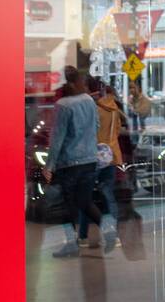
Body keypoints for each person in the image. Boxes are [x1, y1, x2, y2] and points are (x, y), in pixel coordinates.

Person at [45, 67, 114, 258]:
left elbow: (57, 138)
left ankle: (72, 242)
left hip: (69, 162)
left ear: (67, 83)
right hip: (90, 160)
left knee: (68, 205)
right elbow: (97, 127)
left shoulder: (63, 105)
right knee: (85, 201)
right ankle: (108, 229)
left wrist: (49, 165)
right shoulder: (89, 101)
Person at [78, 78, 124, 250]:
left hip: (93, 156)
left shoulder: (93, 108)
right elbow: (117, 130)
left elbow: (86, 132)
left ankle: (83, 236)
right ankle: (114, 235)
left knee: (86, 197)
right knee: (108, 197)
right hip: (110, 156)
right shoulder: (114, 108)